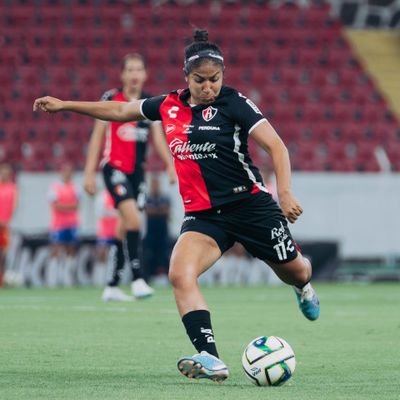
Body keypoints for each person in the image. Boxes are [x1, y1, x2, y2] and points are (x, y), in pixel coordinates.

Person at [33, 28, 320, 383]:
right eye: (200, 80)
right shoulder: (168, 105)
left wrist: (286, 193)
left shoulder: (235, 103)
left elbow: (277, 147)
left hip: (250, 206)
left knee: (296, 271)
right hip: (204, 216)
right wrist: (65, 105)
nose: (208, 87)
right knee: (179, 274)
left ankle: (303, 288)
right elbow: (121, 109)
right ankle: (210, 357)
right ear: (186, 77)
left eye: (215, 80)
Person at [83, 53, 176, 301]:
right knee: (134, 221)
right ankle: (137, 280)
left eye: (139, 70)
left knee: (125, 227)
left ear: (145, 74)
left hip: (138, 174)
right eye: (130, 70)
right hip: (114, 169)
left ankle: (112, 284)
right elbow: (96, 138)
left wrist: (170, 165)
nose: (134, 74)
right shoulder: (112, 99)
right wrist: (89, 173)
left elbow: (158, 138)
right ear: (123, 74)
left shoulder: (150, 102)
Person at [47, 162, 80, 287]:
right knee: (56, 249)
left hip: (72, 224)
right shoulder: (54, 187)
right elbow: (55, 205)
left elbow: (76, 206)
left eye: (70, 171)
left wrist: (63, 206)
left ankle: (67, 278)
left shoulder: (75, 187)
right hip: (58, 225)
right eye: (66, 171)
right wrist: (69, 207)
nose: (68, 174)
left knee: (70, 250)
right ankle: (52, 278)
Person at [143, 173, 171, 285]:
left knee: (164, 254)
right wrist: (158, 210)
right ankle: (148, 277)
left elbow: (166, 211)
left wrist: (154, 210)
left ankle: (166, 277)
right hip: (150, 232)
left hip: (162, 232)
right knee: (149, 254)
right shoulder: (147, 197)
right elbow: (147, 211)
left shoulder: (165, 197)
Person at [93, 188, 119, 288]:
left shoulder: (119, 194)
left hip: (117, 231)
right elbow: (101, 213)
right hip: (104, 232)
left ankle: (113, 280)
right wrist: (115, 212)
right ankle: (99, 281)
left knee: (116, 257)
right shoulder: (102, 196)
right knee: (102, 255)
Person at [0, 163, 18, 287]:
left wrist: (7, 220)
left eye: (7, 173)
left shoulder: (12, 188)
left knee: (3, 253)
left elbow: (14, 205)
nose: (4, 175)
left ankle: (2, 278)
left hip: (5, 225)